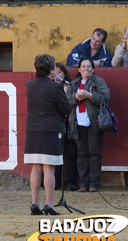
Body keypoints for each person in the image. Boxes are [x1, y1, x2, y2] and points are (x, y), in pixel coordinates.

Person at [25, 54, 72, 215]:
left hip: (33, 130)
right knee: (49, 168)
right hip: (50, 130)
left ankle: (34, 203)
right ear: (52, 70)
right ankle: (49, 204)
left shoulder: (29, 85)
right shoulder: (55, 87)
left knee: (36, 167)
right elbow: (66, 109)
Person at [66, 58, 111, 192]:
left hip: (94, 123)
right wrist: (76, 97)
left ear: (93, 69)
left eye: (89, 67)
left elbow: (105, 98)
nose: (86, 69)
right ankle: (83, 183)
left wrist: (90, 95)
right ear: (79, 69)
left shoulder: (98, 81)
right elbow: (67, 100)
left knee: (94, 153)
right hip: (77, 123)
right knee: (82, 154)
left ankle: (94, 183)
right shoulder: (74, 84)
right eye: (83, 67)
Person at [52, 62, 78, 191]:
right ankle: (55, 182)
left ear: (64, 74)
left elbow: (70, 106)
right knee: (56, 153)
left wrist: (68, 92)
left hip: (69, 123)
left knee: (71, 153)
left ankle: (72, 182)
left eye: (60, 71)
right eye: (55, 71)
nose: (58, 74)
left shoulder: (69, 87)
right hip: (54, 124)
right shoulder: (49, 87)